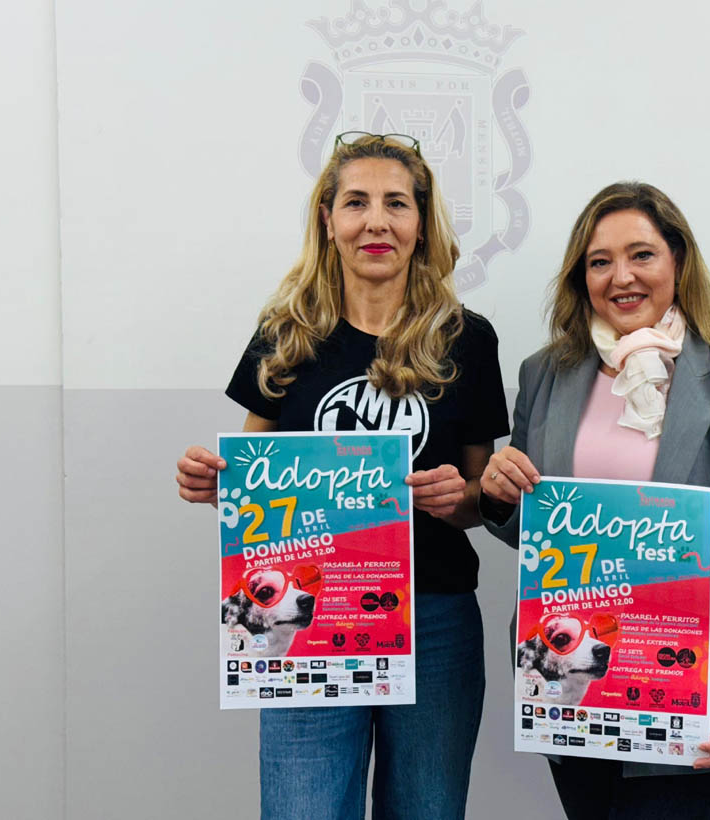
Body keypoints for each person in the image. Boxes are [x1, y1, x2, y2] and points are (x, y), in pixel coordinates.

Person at [175, 132, 510, 820]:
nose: (376, 222)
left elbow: (483, 500)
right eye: (356, 202)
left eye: (397, 203)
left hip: (436, 617)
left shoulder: (468, 339)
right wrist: (214, 485)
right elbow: (252, 477)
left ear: (422, 223)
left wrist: (460, 498)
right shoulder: (286, 334)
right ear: (328, 220)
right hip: (309, 617)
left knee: (427, 809)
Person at [479, 182, 710, 820]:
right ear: (582, 277)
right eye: (600, 261)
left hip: (695, 695)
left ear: (678, 260)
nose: (621, 276)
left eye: (641, 254)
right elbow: (532, 528)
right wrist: (500, 494)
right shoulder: (545, 375)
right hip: (573, 692)